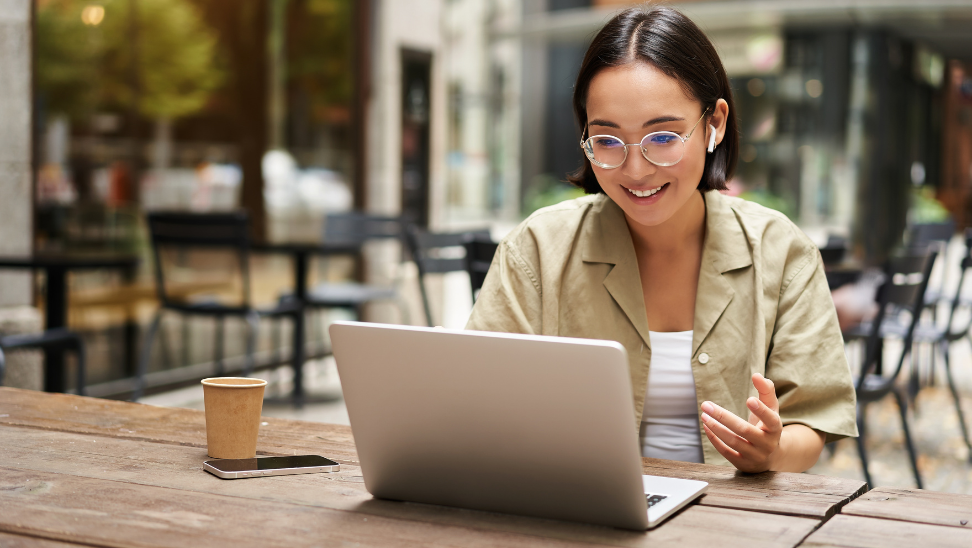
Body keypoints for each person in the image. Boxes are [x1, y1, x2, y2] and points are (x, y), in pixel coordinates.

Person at [466, 6, 857, 472]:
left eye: (663, 137)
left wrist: (771, 451)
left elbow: (810, 421)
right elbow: (478, 405)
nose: (635, 170)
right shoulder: (536, 251)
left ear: (715, 124)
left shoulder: (782, 252)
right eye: (608, 141)